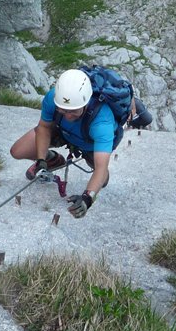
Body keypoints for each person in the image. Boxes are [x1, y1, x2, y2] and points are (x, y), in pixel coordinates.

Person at [9, 68, 150, 219]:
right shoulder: (53, 98)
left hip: (90, 143)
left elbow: (100, 169)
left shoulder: (102, 122)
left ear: (86, 103)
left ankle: (133, 109)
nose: (68, 115)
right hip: (63, 131)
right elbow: (43, 127)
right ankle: (52, 159)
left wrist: (87, 199)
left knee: (102, 179)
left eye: (73, 111)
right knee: (18, 151)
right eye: (63, 110)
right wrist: (41, 158)